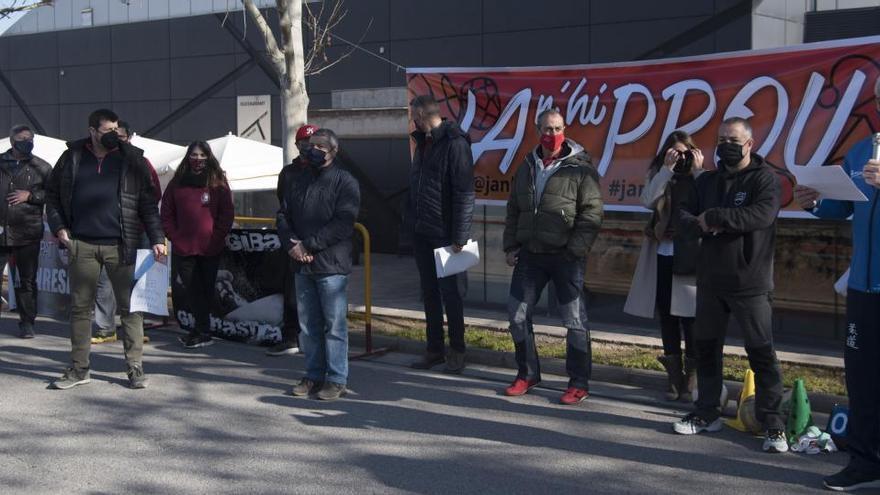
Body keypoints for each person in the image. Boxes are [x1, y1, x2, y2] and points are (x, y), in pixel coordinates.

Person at [671, 117, 787, 453]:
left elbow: (760, 216)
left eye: (733, 139)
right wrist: (701, 223)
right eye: (721, 139)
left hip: (750, 282)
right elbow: (683, 216)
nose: (726, 145)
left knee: (761, 353)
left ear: (749, 144)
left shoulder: (765, 179)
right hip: (710, 280)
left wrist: (715, 218)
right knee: (706, 348)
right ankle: (707, 412)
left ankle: (773, 424)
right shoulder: (706, 181)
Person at [796, 77, 880, 491]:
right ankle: (865, 462)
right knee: (863, 378)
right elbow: (841, 205)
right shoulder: (863, 150)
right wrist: (814, 201)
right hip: (865, 288)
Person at [45, 108, 166, 390]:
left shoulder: (132, 159)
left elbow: (147, 203)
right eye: (107, 131)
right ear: (92, 131)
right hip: (81, 244)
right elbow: (52, 196)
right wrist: (59, 228)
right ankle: (79, 369)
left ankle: (135, 368)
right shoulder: (72, 157)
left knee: (130, 309)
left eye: (116, 130)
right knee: (80, 309)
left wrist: (158, 237)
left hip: (121, 245)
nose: (113, 135)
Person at [502, 108, 603, 405]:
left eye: (557, 128)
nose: (552, 134)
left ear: (565, 128)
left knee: (574, 321)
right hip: (531, 256)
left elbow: (592, 213)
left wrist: (575, 250)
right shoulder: (527, 165)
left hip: (566, 258)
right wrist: (511, 245)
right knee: (517, 316)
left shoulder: (582, 167)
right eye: (547, 129)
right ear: (537, 130)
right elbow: (513, 208)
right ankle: (527, 373)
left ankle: (579, 382)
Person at [277, 128, 360, 401]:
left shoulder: (345, 181)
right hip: (302, 262)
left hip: (330, 264)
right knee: (309, 326)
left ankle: (336, 379)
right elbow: (283, 214)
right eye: (309, 145)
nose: (311, 150)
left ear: (332, 152)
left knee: (334, 326)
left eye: (319, 147)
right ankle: (313, 375)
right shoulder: (297, 179)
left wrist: (308, 245)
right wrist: (292, 245)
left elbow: (343, 223)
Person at [624, 131, 703, 401]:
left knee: (690, 317)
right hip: (663, 252)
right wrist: (666, 170)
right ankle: (674, 375)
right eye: (675, 153)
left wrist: (697, 170)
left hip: (690, 254)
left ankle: (693, 374)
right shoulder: (660, 174)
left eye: (685, 152)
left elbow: (709, 202)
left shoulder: (700, 177)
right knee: (667, 315)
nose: (680, 158)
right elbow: (648, 200)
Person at [407, 95, 475, 374]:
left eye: (414, 115)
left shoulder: (455, 144)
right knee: (429, 293)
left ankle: (457, 350)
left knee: (452, 294)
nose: (412, 120)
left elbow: (464, 192)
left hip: (447, 235)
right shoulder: (422, 144)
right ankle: (434, 348)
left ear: (422, 115)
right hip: (422, 231)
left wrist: (459, 235)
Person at [91, 121, 162, 344]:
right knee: (104, 281)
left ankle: (134, 329)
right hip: (107, 232)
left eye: (120, 136)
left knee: (135, 282)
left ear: (129, 138)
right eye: (111, 134)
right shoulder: (100, 161)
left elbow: (153, 196)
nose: (115, 140)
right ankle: (105, 328)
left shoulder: (140, 162)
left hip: (136, 230)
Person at [162, 141, 234, 349]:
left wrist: (217, 237)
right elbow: (166, 211)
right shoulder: (177, 182)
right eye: (194, 154)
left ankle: (203, 330)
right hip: (184, 247)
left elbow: (226, 213)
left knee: (205, 288)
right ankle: (201, 329)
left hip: (210, 247)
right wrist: (174, 236)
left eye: (203, 155)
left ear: (209, 156)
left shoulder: (218, 181)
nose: (198, 159)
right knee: (192, 289)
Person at [266, 124, 318, 356]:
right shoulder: (288, 173)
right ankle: (290, 336)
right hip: (293, 242)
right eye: (302, 144)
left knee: (321, 292)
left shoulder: (326, 171)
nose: (307, 148)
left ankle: (317, 338)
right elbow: (283, 206)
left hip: (319, 243)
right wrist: (291, 242)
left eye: (311, 143)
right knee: (291, 290)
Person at [0, 124, 52, 338]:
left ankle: (27, 322)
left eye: (30, 138)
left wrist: (30, 196)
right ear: (12, 141)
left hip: (27, 231)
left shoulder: (42, 167)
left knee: (26, 280)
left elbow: (53, 194)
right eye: (22, 138)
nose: (27, 142)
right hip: (1, 230)